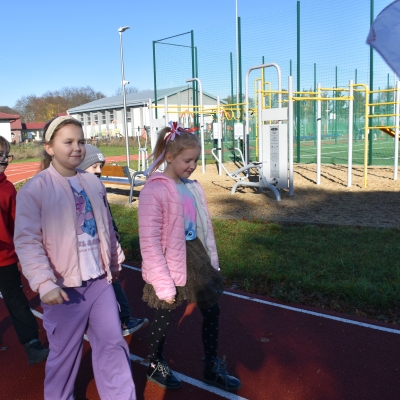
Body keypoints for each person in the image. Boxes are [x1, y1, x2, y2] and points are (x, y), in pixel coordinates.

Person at [14, 116, 136, 400]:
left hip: (99, 283)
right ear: (49, 148)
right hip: (64, 288)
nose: (77, 147)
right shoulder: (35, 190)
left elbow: (106, 226)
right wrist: (45, 283)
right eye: (67, 142)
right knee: (64, 356)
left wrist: (114, 261)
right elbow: (28, 241)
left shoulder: (92, 183)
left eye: (80, 141)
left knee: (113, 345)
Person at [138, 122, 242, 392]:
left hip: (194, 253)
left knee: (212, 309)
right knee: (165, 313)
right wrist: (162, 283)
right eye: (188, 160)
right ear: (169, 157)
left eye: (196, 160)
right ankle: (155, 362)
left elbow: (203, 227)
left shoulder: (193, 187)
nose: (193, 166)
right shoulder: (154, 190)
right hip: (169, 259)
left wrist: (211, 260)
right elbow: (149, 240)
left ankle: (211, 365)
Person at [77, 144, 149, 336]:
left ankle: (125, 318)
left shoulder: (97, 188)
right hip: (84, 254)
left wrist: (114, 233)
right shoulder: (75, 192)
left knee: (112, 283)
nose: (98, 171)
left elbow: (106, 216)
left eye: (101, 166)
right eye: (94, 166)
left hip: (103, 250)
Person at [0, 135, 49, 365]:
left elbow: (16, 224)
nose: (5, 160)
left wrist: (20, 251)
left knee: (17, 301)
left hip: (5, 259)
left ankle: (32, 344)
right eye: (0, 155)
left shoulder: (8, 188)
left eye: (6, 155)